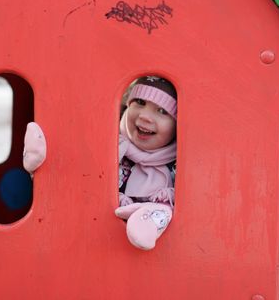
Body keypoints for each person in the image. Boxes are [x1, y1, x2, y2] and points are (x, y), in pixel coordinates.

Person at [22, 76, 177, 251]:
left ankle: (146, 224)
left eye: (162, 111)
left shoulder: (177, 166)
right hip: (89, 236)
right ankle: (40, 159)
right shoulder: (111, 143)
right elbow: (79, 174)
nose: (145, 116)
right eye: (140, 102)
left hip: (135, 253)